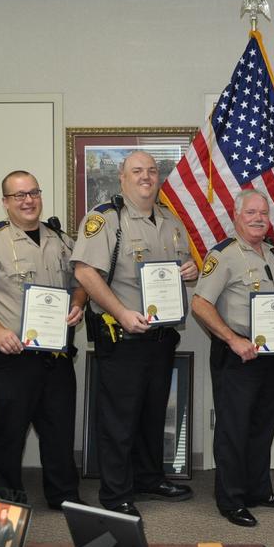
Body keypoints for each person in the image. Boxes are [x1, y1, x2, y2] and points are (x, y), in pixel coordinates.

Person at [72, 151, 198, 517]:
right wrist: (122, 313)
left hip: (160, 338)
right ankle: (115, 495)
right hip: (122, 338)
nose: (146, 176)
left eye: (152, 171)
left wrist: (188, 270)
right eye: (137, 171)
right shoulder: (105, 219)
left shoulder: (172, 222)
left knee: (151, 415)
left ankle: (148, 478)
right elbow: (85, 272)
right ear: (122, 179)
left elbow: (176, 270)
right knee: (119, 421)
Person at [0, 170, 87, 509]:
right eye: (19, 195)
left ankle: (64, 496)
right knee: (8, 435)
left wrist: (77, 304)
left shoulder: (61, 240)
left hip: (56, 357)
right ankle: (8, 500)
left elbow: (81, 280)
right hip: (12, 358)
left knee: (59, 432)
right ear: (5, 203)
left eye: (33, 193)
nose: (28, 200)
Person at [191, 189, 274, 527]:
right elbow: (200, 303)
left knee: (261, 426)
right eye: (250, 212)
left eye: (262, 212)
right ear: (236, 215)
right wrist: (232, 339)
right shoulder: (223, 255)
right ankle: (231, 500)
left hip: (267, 355)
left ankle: (258, 490)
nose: (258, 218)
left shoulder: (271, 252)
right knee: (233, 429)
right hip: (236, 356)